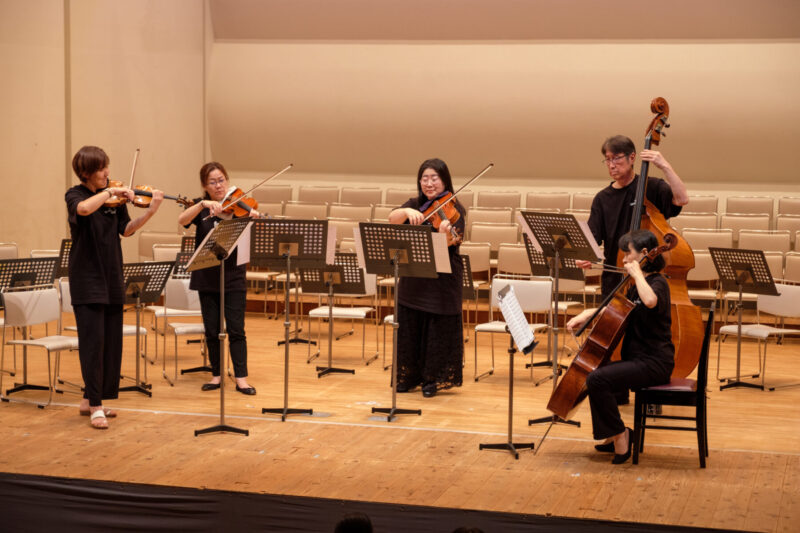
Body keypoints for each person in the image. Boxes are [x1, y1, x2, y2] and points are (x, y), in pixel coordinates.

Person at [66, 146, 164, 429]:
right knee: (93, 344)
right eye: (100, 169)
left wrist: (151, 212)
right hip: (87, 278)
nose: (107, 173)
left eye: (106, 167)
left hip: (112, 276)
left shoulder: (115, 200)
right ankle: (96, 405)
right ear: (85, 173)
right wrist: (110, 191)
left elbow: (126, 229)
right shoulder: (75, 195)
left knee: (110, 343)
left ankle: (90, 399)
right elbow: (84, 209)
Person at [567, 229, 674, 464]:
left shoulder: (658, 283)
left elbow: (650, 301)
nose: (624, 259)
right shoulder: (636, 286)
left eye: (628, 253)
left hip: (655, 362)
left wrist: (637, 275)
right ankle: (613, 433)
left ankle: (620, 436)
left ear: (644, 253)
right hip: (637, 360)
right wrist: (587, 314)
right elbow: (618, 310)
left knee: (597, 379)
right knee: (595, 373)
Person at [178, 162, 260, 395]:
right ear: (205, 186)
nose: (218, 186)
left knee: (236, 330)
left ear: (227, 180)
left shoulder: (239, 205)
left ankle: (241, 378)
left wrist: (253, 218)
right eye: (212, 182)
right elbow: (182, 220)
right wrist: (202, 204)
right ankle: (216, 375)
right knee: (212, 331)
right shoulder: (201, 207)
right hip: (206, 277)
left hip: (233, 276)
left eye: (221, 180)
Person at [387, 158, 465, 398]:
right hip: (415, 277)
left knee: (436, 329)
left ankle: (433, 379)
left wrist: (443, 235)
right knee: (411, 326)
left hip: (442, 278)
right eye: (424, 178)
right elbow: (392, 219)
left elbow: (452, 242)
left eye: (434, 178)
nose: (429, 183)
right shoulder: (414, 204)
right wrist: (406, 211)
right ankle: (409, 376)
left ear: (445, 181)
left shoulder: (456, 209)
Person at [577, 135, 689, 299]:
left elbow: (682, 199)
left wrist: (665, 166)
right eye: (607, 159)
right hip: (615, 281)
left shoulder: (652, 187)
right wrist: (586, 258)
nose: (611, 165)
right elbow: (593, 239)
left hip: (650, 281)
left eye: (616, 158)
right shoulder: (602, 199)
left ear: (632, 157)